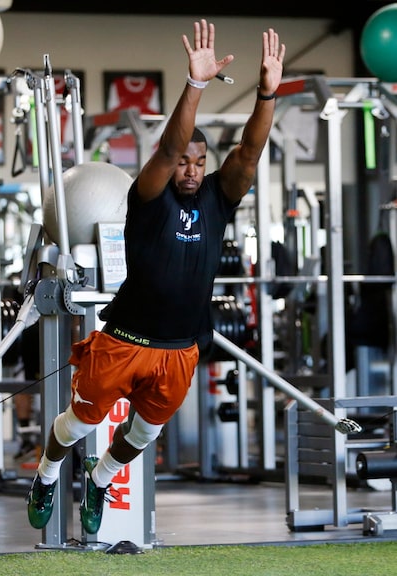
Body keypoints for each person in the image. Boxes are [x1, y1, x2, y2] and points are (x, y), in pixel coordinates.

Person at [27, 18, 285, 534]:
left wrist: (267, 94)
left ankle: (100, 480)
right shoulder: (148, 197)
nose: (189, 169)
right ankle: (49, 472)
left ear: (207, 164)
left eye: (198, 162)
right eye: (183, 162)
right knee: (81, 423)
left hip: (180, 348)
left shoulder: (218, 197)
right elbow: (167, 149)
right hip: (123, 340)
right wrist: (194, 86)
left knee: (143, 434)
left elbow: (250, 152)